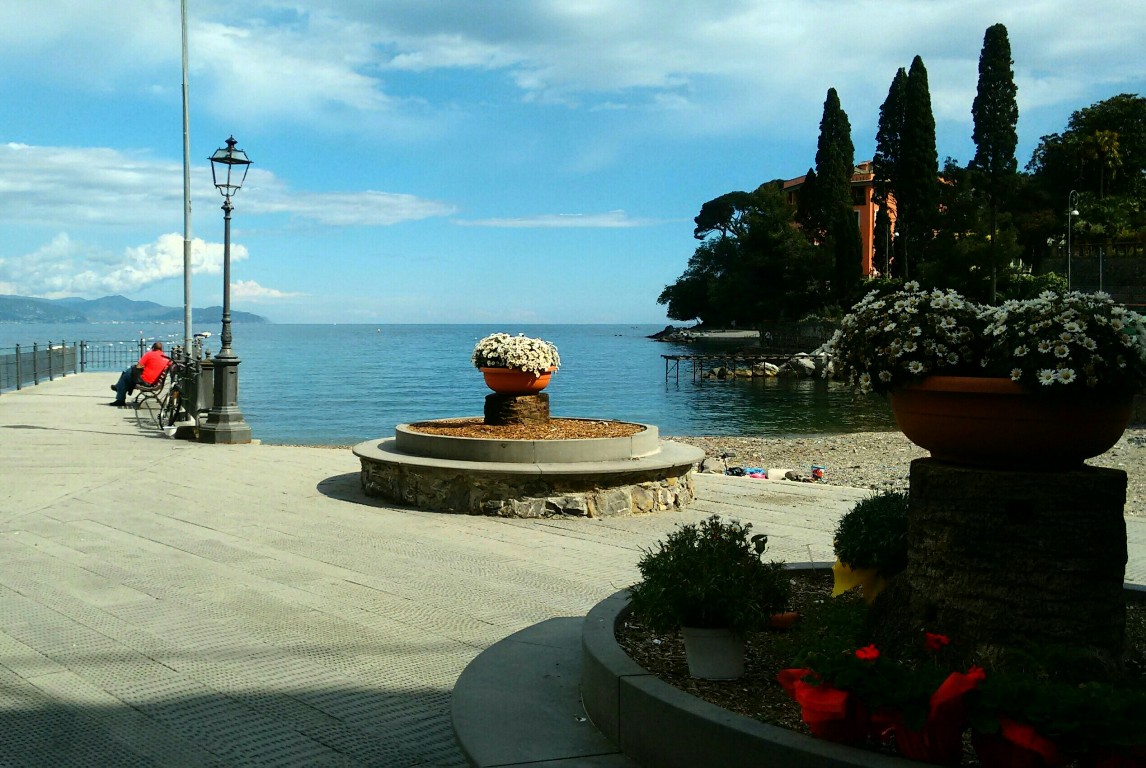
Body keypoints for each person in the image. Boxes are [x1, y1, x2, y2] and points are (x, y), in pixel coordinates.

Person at [110, 342, 169, 406]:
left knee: (127, 373)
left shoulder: (149, 354)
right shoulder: (166, 358)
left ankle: (119, 394)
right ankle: (118, 387)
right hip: (155, 382)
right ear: (161, 349)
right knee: (128, 373)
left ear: (153, 348)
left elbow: (138, 366)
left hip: (145, 381)